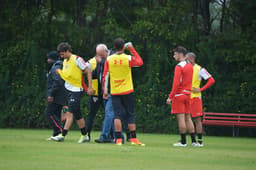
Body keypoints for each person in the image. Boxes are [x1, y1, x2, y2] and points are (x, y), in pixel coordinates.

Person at [102, 38, 144, 146]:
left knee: (117, 115)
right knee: (130, 114)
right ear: (123, 47)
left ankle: (119, 139)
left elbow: (105, 75)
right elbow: (140, 62)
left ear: (114, 47)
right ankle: (133, 138)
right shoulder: (128, 58)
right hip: (127, 89)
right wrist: (132, 49)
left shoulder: (109, 59)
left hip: (115, 91)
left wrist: (105, 91)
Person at [51, 42, 94, 143]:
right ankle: (85, 135)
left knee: (69, 113)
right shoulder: (65, 61)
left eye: (62, 54)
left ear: (67, 51)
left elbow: (87, 71)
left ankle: (62, 135)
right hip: (68, 90)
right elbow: (67, 75)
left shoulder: (77, 59)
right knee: (77, 114)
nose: (61, 56)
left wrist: (90, 87)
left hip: (76, 90)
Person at [166, 46, 197, 147]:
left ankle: (183, 142)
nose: (173, 55)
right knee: (188, 118)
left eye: (175, 54)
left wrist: (170, 97)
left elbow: (176, 84)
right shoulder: (189, 65)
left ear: (180, 54)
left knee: (181, 119)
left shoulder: (179, 66)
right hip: (188, 94)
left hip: (179, 95)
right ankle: (194, 141)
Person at [186, 52, 215, 147]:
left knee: (197, 120)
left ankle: (200, 141)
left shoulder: (200, 69)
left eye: (187, 59)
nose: (185, 61)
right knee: (186, 118)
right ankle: (189, 140)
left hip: (195, 98)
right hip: (186, 96)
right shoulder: (186, 69)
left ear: (192, 59)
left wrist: (201, 89)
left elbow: (211, 80)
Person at [45, 51, 67, 140]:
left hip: (56, 96)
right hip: (61, 95)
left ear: (52, 59)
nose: (47, 60)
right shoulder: (60, 66)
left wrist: (51, 94)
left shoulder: (55, 68)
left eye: (48, 59)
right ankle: (56, 135)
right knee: (56, 114)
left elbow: (57, 82)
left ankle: (59, 131)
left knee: (49, 112)